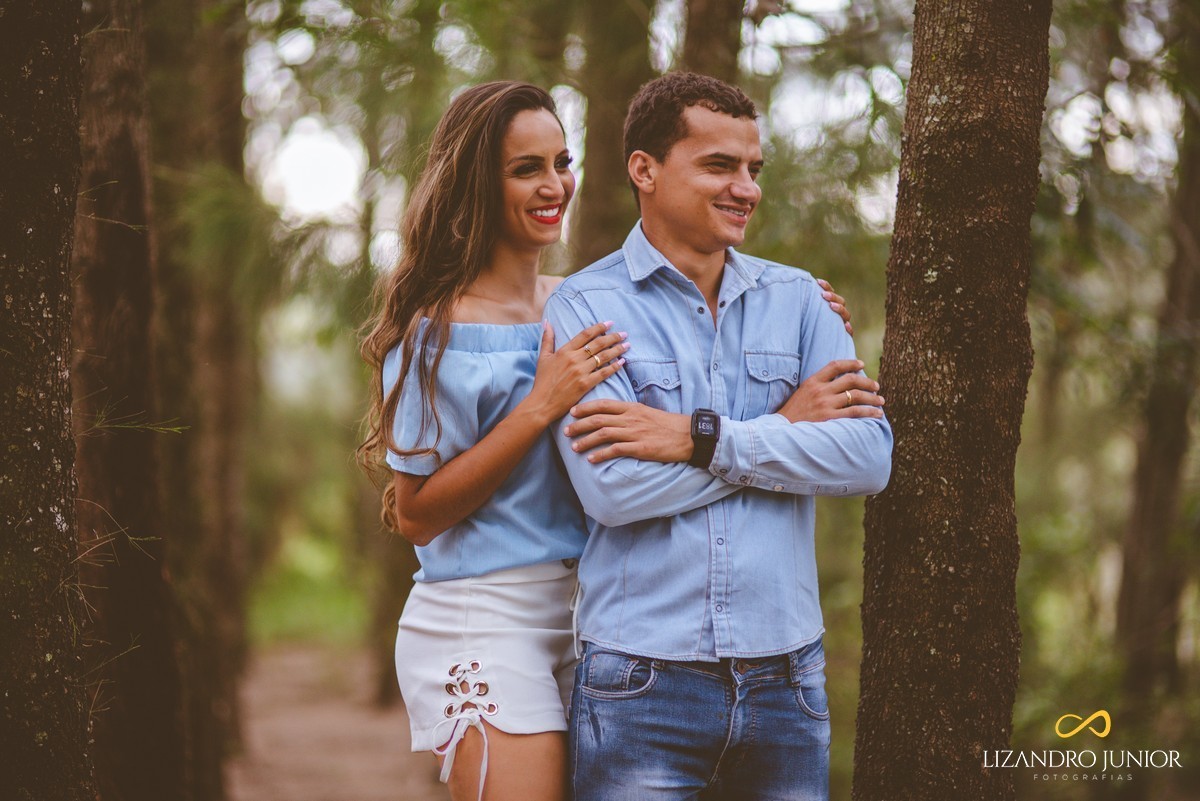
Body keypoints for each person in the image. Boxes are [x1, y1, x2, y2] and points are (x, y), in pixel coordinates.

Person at [358, 81, 861, 801]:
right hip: (485, 615)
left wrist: (798, 306)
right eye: (525, 167)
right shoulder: (435, 332)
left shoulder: (582, 302)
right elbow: (416, 513)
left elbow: (686, 409)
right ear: (478, 183)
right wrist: (537, 408)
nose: (553, 184)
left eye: (561, 162)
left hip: (596, 621)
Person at [544, 72, 893, 801]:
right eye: (718, 166)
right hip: (640, 683)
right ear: (645, 169)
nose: (746, 189)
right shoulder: (585, 306)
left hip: (788, 682)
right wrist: (784, 428)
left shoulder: (800, 300)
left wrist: (698, 438)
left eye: (753, 170)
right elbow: (613, 489)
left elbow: (867, 457)